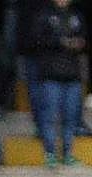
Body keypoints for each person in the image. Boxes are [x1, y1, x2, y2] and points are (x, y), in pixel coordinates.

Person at [27, 0, 86, 167]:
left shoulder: (76, 16)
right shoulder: (43, 15)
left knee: (71, 116)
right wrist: (60, 42)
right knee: (49, 116)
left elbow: (85, 37)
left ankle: (68, 154)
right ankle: (50, 154)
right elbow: (36, 40)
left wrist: (79, 43)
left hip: (72, 74)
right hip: (49, 74)